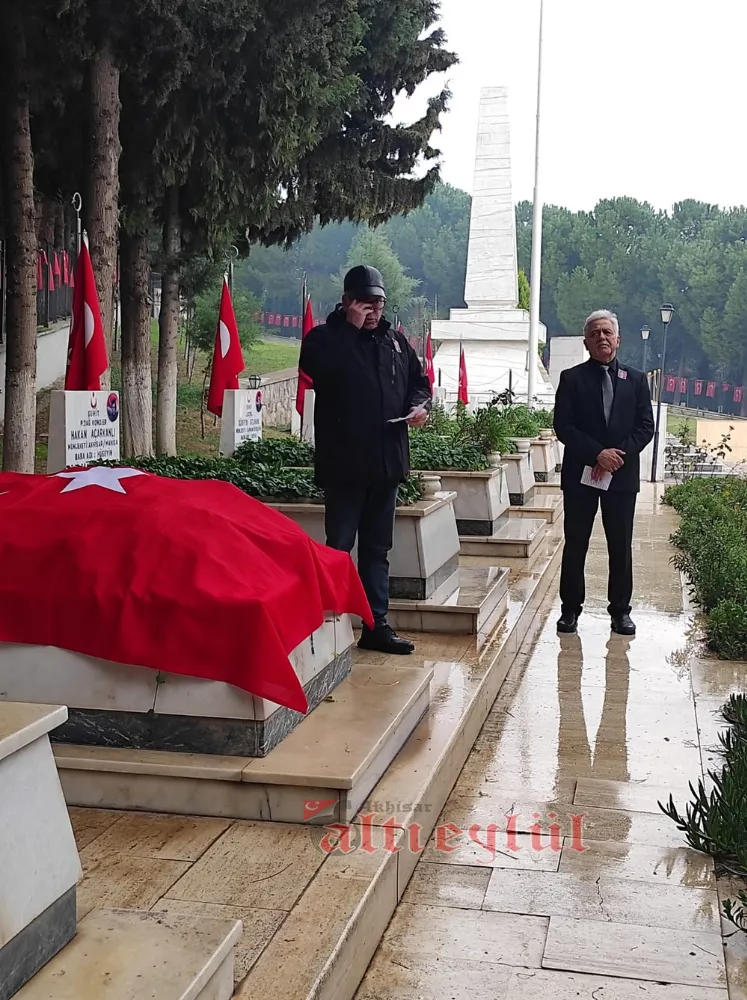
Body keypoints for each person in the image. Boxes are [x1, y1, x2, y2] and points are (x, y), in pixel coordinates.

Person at [298, 265, 432, 654]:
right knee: (339, 545)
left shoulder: (394, 341)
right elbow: (320, 372)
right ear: (347, 302)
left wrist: (419, 406)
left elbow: (419, 382)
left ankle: (376, 624)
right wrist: (351, 329)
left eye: (378, 303)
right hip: (345, 464)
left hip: (387, 461)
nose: (373, 311)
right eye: (365, 303)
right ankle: (329, 623)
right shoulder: (325, 339)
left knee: (377, 549)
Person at [553, 309, 654, 636]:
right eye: (595, 333)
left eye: (607, 332)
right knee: (576, 543)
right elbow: (563, 426)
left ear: (618, 339)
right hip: (581, 475)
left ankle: (620, 612)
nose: (601, 338)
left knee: (620, 546)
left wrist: (615, 456)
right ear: (586, 342)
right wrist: (597, 453)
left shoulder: (636, 380)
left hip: (621, 477)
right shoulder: (571, 379)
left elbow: (645, 427)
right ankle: (570, 610)